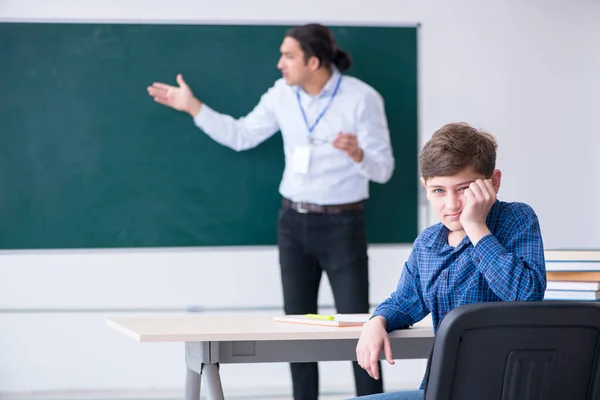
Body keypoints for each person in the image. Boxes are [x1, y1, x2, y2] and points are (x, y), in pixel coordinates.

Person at [147, 23, 394, 400]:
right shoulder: (282, 95)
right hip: (293, 222)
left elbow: (385, 170)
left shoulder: (362, 98)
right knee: (296, 329)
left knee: (359, 327)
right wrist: (192, 107)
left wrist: (358, 153)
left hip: (343, 224)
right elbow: (241, 135)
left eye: (288, 56)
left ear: (313, 61)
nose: (279, 63)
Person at [350, 122, 546, 400]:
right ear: (425, 188)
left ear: (494, 182)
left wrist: (476, 226)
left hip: (503, 384)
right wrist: (377, 321)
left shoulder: (516, 219)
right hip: (444, 383)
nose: (452, 205)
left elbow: (527, 296)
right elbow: (406, 301)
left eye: (464, 189)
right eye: (439, 191)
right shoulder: (429, 243)